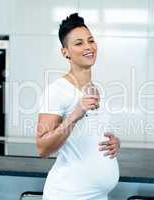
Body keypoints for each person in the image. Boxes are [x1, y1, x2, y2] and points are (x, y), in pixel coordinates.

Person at [36, 13, 121, 200]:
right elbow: (42, 148)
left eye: (91, 40)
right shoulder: (57, 90)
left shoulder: (97, 90)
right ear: (65, 52)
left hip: (98, 195)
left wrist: (114, 144)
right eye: (79, 43)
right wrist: (75, 114)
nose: (88, 47)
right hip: (69, 195)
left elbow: (89, 139)